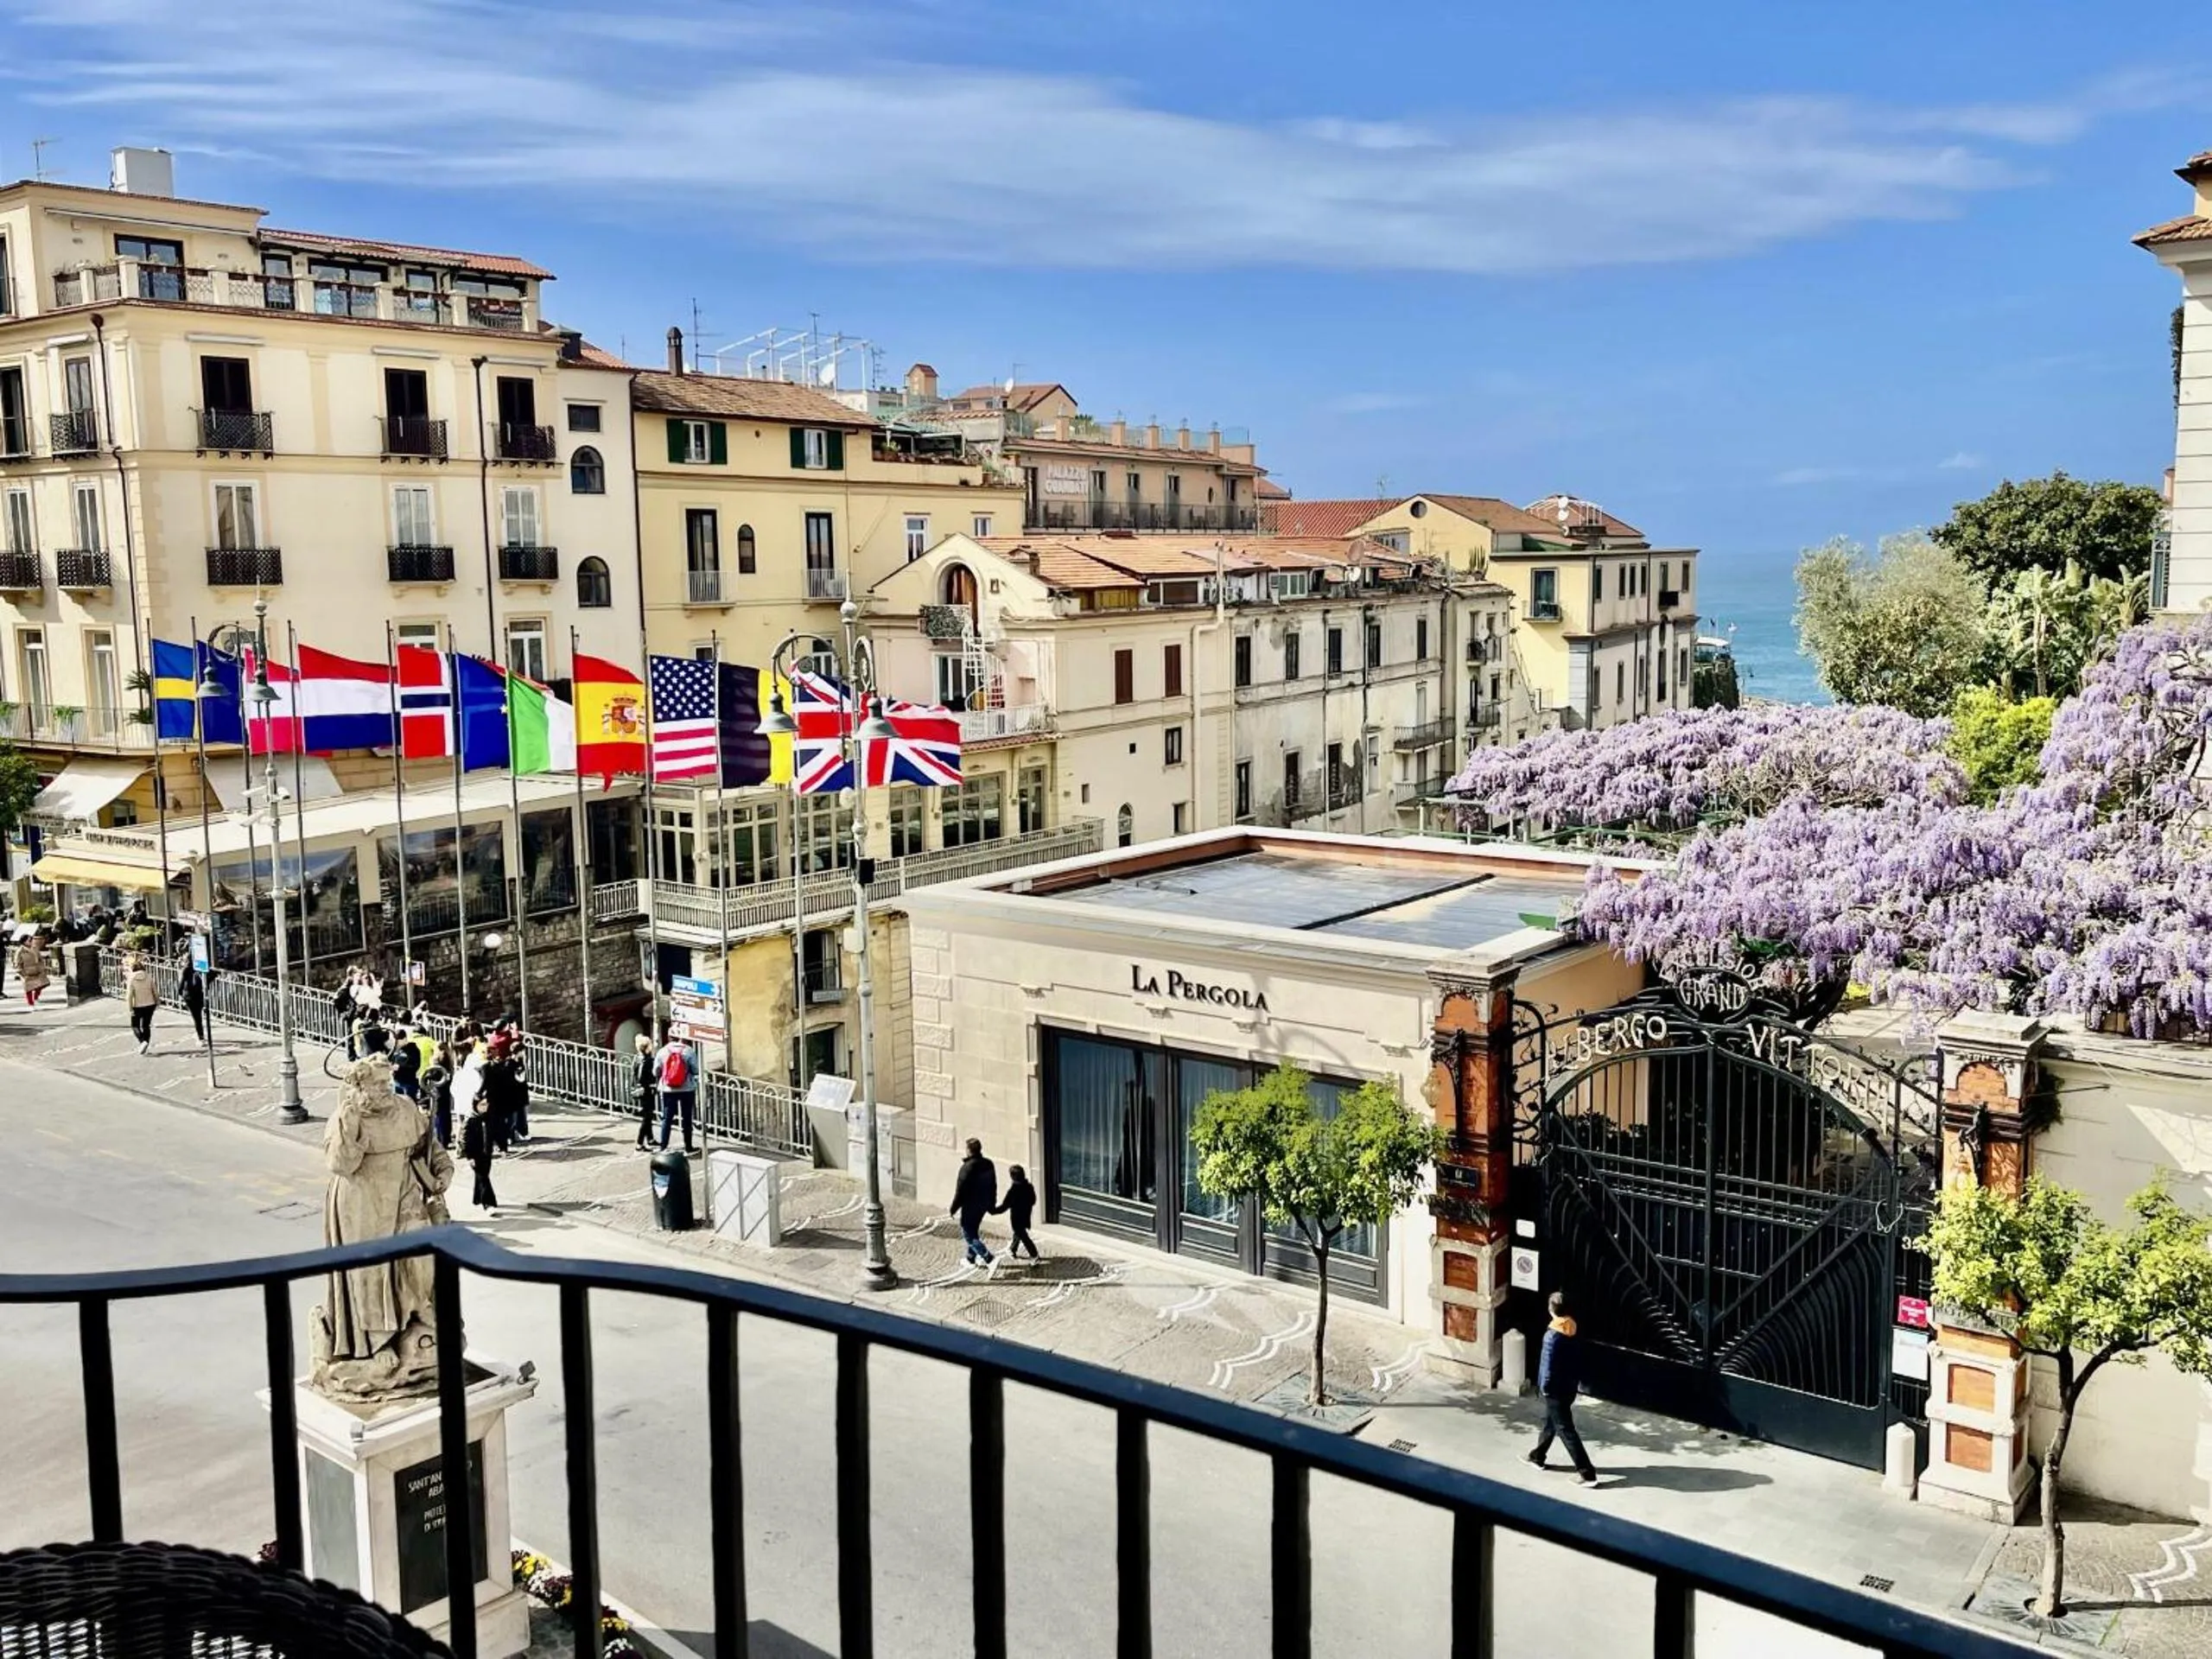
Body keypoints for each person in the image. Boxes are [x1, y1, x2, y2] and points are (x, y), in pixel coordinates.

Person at [1527, 1290, 1599, 1484]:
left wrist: (1544, 1388)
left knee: (1566, 1429)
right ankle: (1537, 1456)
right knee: (1550, 1420)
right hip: (1569, 1386)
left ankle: (1587, 1473)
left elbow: (1547, 1367)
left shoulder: (1551, 1336)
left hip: (1554, 1390)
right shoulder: (1573, 1327)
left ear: (1551, 1310)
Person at [950, 1138, 998, 1267]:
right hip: (984, 1204)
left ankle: (989, 1258)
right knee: (973, 1229)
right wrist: (992, 1204)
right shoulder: (989, 1164)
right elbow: (993, 1185)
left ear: (969, 1151)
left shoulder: (967, 1168)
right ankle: (970, 1258)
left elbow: (960, 1191)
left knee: (968, 1234)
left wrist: (953, 1209)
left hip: (971, 1205)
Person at [653, 1032, 697, 1153]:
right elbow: (695, 1070)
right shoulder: (688, 1051)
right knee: (687, 1118)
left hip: (668, 1089)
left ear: (669, 1038)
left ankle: (663, 1147)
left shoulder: (662, 1051)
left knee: (667, 1119)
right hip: (687, 1088)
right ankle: (688, 1147)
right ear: (680, 1038)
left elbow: (655, 1071)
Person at [991, 1162, 1040, 1261]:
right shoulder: (1029, 1187)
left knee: (1023, 1236)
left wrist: (993, 1211)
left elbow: (1004, 1206)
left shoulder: (1013, 1191)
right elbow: (1033, 1200)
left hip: (1017, 1218)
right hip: (1026, 1215)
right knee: (1018, 1233)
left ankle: (1034, 1255)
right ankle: (1012, 1249)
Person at [460, 1091, 498, 1212]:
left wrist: (501, 1146)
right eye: (482, 1105)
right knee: (483, 1178)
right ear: (475, 1105)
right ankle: (489, 1203)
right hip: (476, 1154)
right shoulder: (470, 1120)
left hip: (487, 1152)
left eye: (486, 1104)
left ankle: (478, 1198)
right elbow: (464, 1140)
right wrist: (469, 1157)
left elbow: (495, 1132)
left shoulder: (489, 1117)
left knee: (482, 1176)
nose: (485, 1107)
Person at [124, 955, 160, 1054]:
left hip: (137, 1005)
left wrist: (130, 1008)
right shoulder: (148, 976)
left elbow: (129, 995)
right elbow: (154, 990)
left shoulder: (131, 978)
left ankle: (142, 1041)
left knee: (135, 1025)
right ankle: (146, 1042)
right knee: (146, 1025)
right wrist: (157, 1001)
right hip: (150, 1004)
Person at [630, 1033, 657, 1151]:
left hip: (640, 1090)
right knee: (647, 1117)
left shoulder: (637, 1057)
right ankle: (639, 1143)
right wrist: (651, 1085)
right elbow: (642, 1077)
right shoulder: (647, 1060)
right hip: (646, 1090)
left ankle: (650, 1138)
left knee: (648, 1116)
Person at [16, 931, 51, 1008]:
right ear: (24, 942)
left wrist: (42, 967)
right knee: (29, 989)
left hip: (38, 970)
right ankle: (31, 1004)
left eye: (31, 940)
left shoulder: (35, 948)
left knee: (42, 984)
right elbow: (17, 963)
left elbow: (40, 958)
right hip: (27, 972)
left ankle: (36, 996)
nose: (31, 942)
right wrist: (22, 973)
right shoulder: (20, 951)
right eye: (29, 940)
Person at [181, 959, 209, 1043]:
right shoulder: (200, 969)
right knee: (198, 1017)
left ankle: (200, 1036)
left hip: (189, 996)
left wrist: (181, 994)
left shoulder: (186, 970)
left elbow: (181, 984)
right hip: (199, 995)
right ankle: (201, 1036)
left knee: (196, 1017)